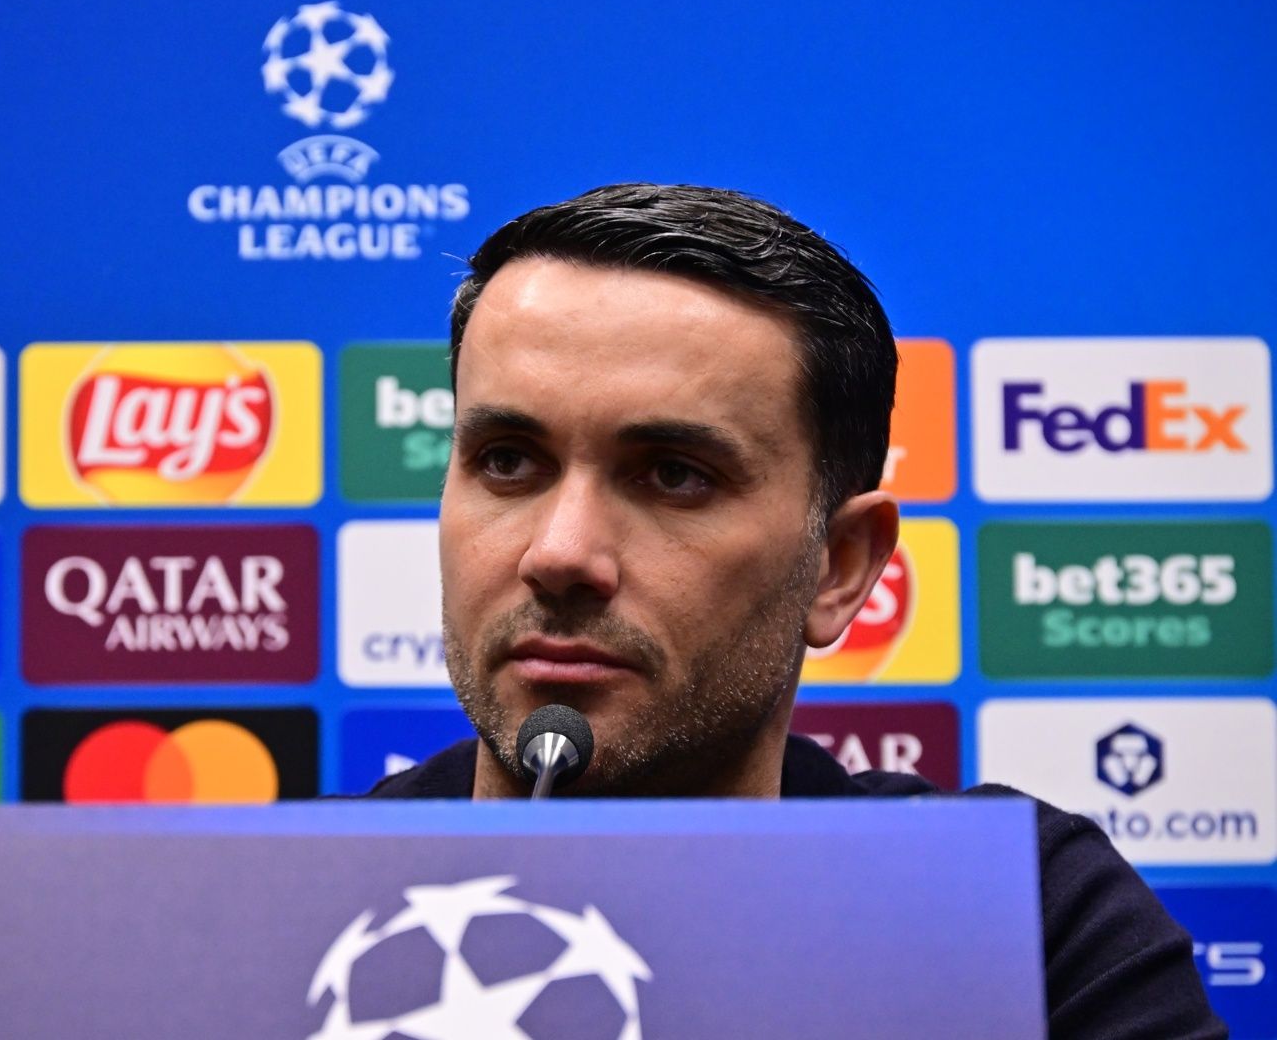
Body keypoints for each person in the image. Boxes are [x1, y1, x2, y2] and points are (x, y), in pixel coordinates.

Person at [365, 183, 1225, 1038]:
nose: (558, 555)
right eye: (507, 461)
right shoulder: (301, 902)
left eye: (674, 475)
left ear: (839, 567)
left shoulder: (1013, 918)